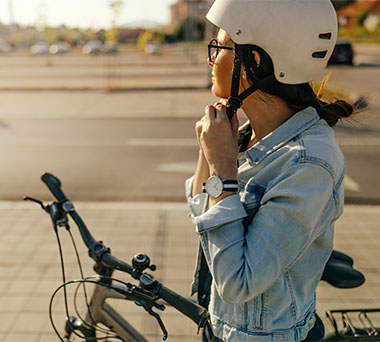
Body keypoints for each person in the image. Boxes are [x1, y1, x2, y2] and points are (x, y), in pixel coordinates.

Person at [185, 0, 357, 341]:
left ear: (255, 62)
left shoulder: (308, 162)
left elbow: (238, 282)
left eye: (220, 47)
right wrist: (213, 151)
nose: (211, 58)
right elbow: (199, 207)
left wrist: (222, 168)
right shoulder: (250, 133)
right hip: (220, 327)